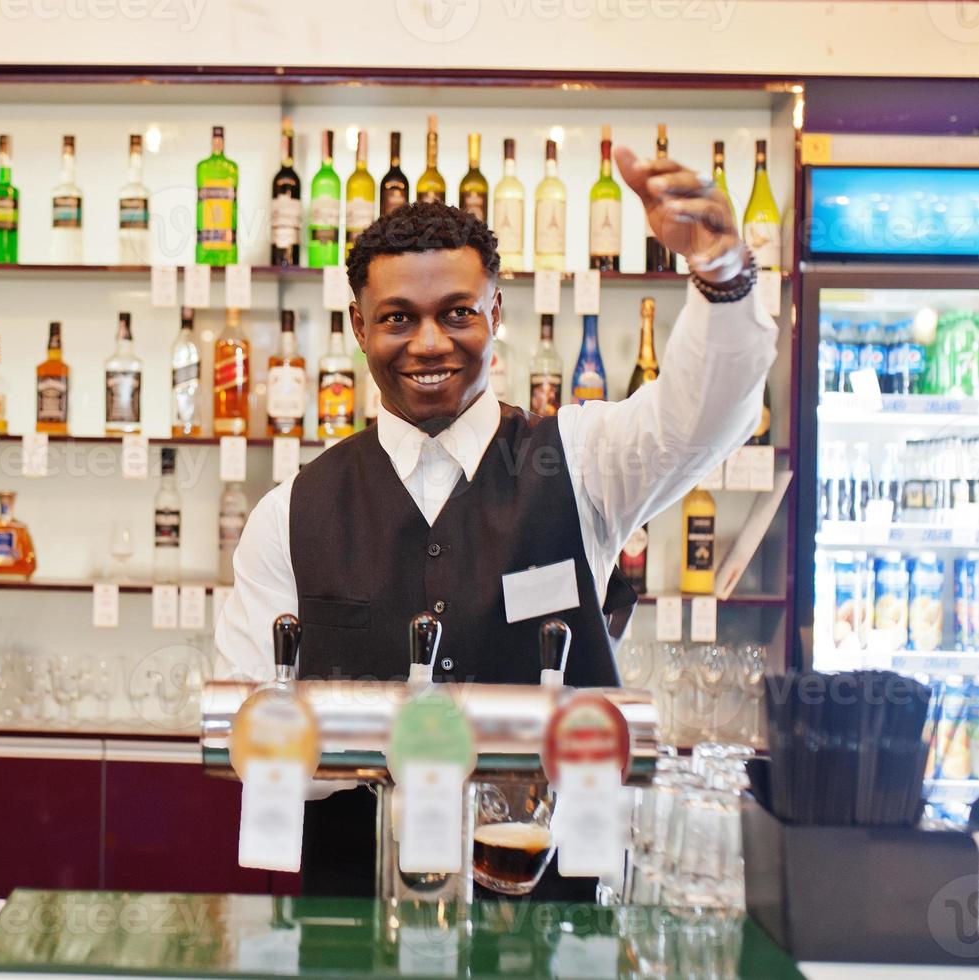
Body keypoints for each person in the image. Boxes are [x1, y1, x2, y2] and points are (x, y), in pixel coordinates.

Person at [214, 145, 778, 897]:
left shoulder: (579, 460)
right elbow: (254, 734)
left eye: (456, 313)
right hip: (353, 919)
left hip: (556, 923)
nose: (428, 343)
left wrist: (722, 273)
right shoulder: (290, 513)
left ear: (495, 314)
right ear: (356, 325)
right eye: (396, 318)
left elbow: (700, 420)